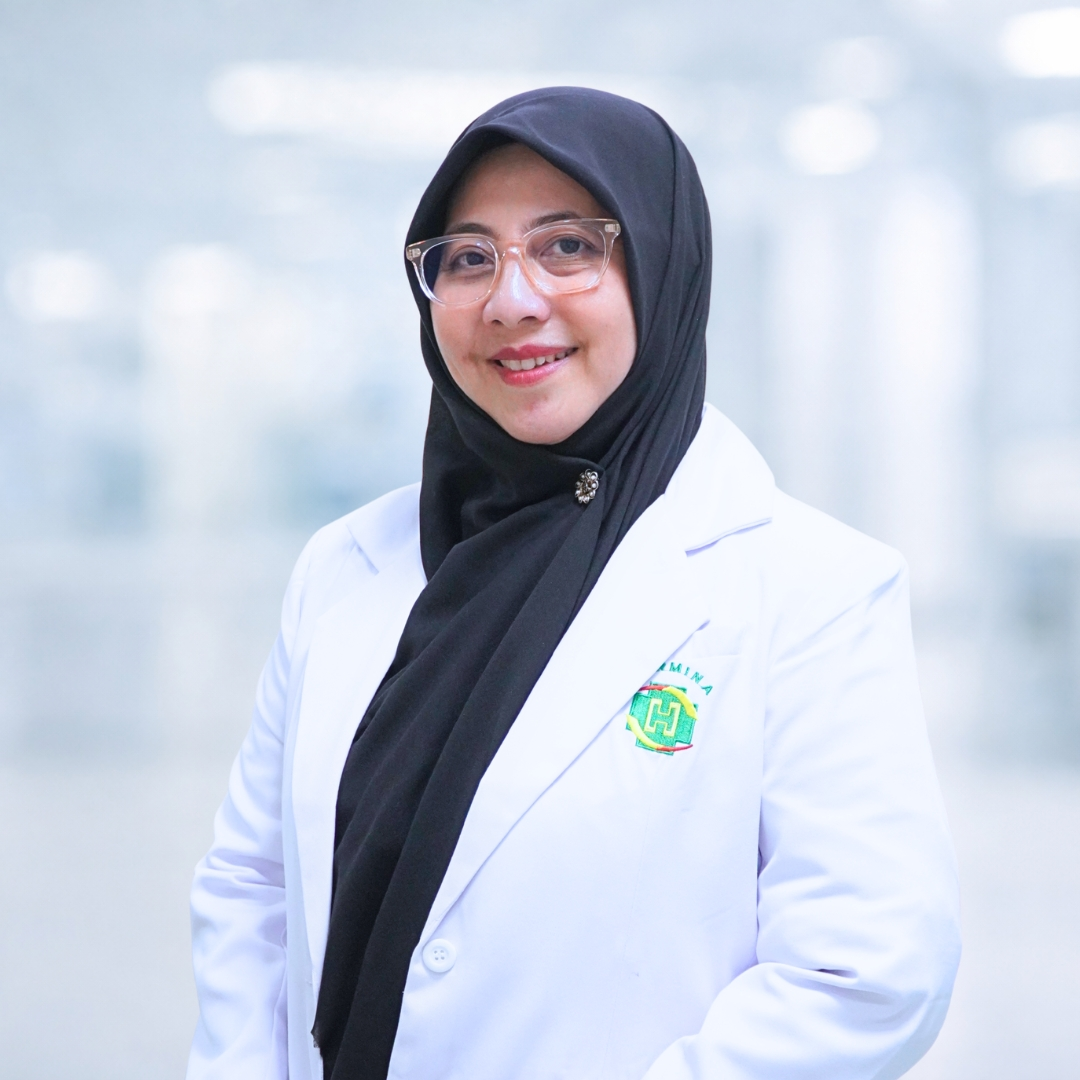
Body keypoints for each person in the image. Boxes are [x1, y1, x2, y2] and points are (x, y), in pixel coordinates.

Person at [187, 87, 960, 1080]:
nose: (512, 300)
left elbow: (864, 973)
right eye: (467, 257)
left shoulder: (813, 591)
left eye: (567, 247)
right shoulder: (342, 569)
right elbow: (254, 887)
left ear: (663, 269)